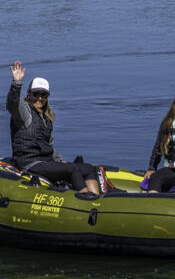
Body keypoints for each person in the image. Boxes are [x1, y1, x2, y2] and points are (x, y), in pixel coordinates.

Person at [6, 61, 104, 195]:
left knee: (88, 169)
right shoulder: (24, 111)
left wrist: (63, 162)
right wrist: (16, 83)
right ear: (29, 94)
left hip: (46, 162)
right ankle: (87, 201)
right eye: (36, 94)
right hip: (30, 164)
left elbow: (50, 147)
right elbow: (11, 104)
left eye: (43, 95)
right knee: (73, 170)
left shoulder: (46, 118)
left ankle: (97, 200)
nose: (39, 98)